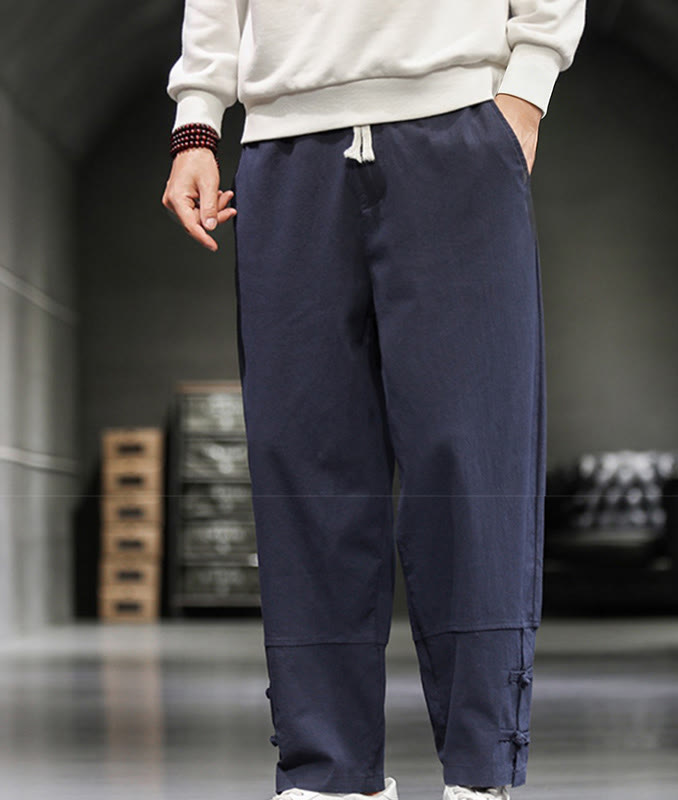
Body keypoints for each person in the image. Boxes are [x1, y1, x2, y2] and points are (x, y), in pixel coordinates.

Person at [161, 3, 586, 800]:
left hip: (458, 123)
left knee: (469, 460)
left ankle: (480, 771)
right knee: (306, 466)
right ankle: (327, 773)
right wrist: (197, 120)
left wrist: (526, 90)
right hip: (285, 141)